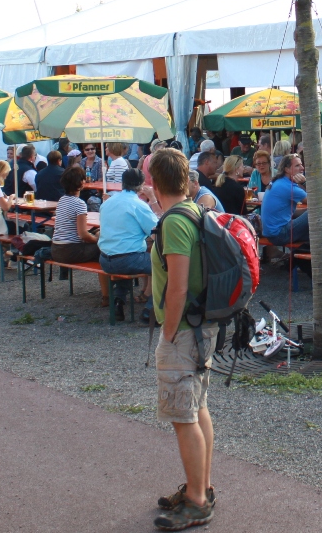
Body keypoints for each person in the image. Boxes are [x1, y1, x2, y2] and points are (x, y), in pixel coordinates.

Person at [148, 148, 218, 529]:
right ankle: (200, 487)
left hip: (185, 329)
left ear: (155, 183)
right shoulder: (194, 211)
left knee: (183, 415)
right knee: (197, 407)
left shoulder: (174, 222)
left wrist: (169, 332)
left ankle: (196, 501)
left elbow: (176, 287)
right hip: (202, 325)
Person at [98, 168, 158, 314]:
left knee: (125, 255)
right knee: (164, 265)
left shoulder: (107, 202)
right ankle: (150, 308)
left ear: (122, 183)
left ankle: (119, 299)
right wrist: (153, 200)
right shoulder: (138, 205)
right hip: (127, 260)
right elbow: (157, 234)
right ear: (142, 185)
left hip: (105, 259)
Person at [38, 166, 98, 266]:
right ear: (81, 182)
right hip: (71, 251)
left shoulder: (62, 200)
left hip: (55, 249)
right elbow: (83, 234)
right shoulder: (79, 203)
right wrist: (96, 240)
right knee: (104, 247)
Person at [261, 154, 308, 245]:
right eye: (297, 165)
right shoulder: (288, 186)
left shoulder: (279, 181)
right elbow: (316, 202)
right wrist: (304, 183)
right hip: (279, 234)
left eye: (301, 164)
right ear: (287, 169)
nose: (302, 168)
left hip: (271, 233)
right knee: (316, 211)